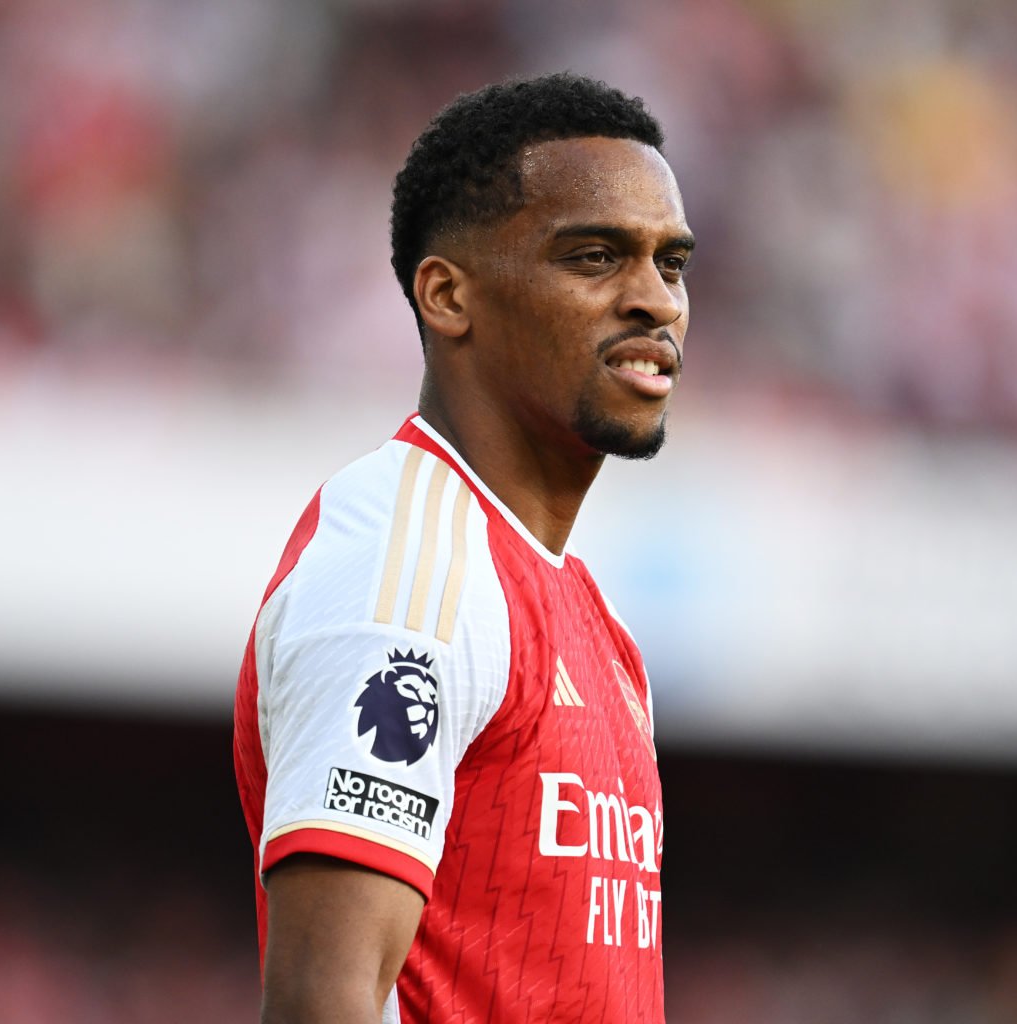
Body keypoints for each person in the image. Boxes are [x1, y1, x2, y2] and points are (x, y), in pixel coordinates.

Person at [233, 72, 694, 1024]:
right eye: (597, 257)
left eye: (672, 263)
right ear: (447, 295)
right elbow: (326, 1000)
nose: (656, 300)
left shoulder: (590, 618)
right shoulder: (409, 560)